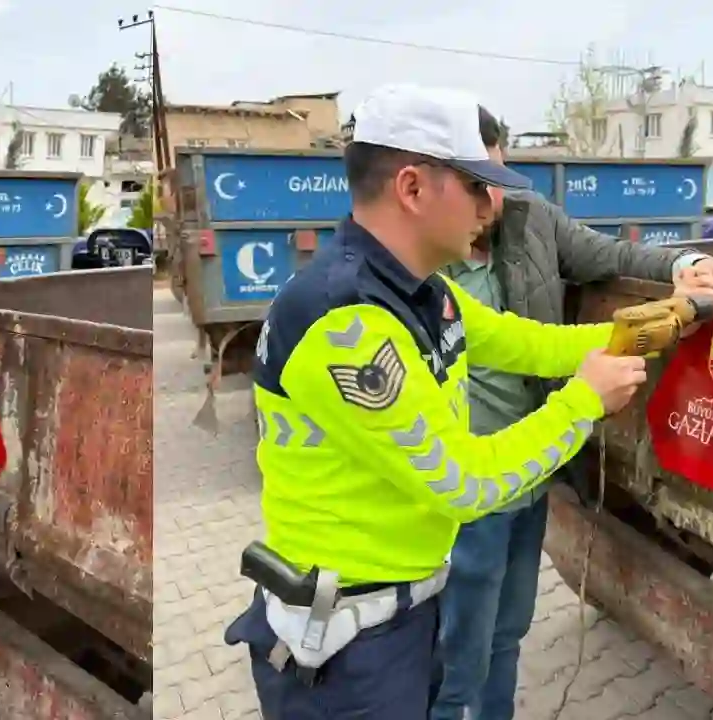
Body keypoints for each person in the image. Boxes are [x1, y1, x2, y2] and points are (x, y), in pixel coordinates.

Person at [222, 83, 659, 719]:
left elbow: (529, 343)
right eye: (476, 184)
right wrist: (582, 404)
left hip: (402, 617)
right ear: (413, 188)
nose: (493, 203)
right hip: (349, 652)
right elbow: (464, 481)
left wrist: (663, 321)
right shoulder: (347, 324)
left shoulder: (423, 292)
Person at [429, 108, 713, 720]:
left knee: (508, 629)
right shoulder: (419, 276)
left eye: (497, 178)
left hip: (535, 463)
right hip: (467, 484)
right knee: (458, 644)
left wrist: (685, 271)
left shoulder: (530, 220)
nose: (490, 200)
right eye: (474, 182)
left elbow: (605, 259)